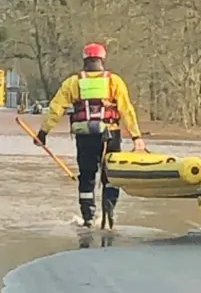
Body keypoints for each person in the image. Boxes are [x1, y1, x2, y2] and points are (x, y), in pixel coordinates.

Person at [33, 42, 146, 229]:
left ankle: (88, 218)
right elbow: (127, 110)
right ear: (102, 59)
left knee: (87, 176)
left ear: (84, 60)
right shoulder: (114, 81)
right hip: (111, 135)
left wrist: (43, 132)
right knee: (111, 177)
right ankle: (108, 215)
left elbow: (56, 109)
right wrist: (136, 137)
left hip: (84, 136)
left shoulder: (73, 82)